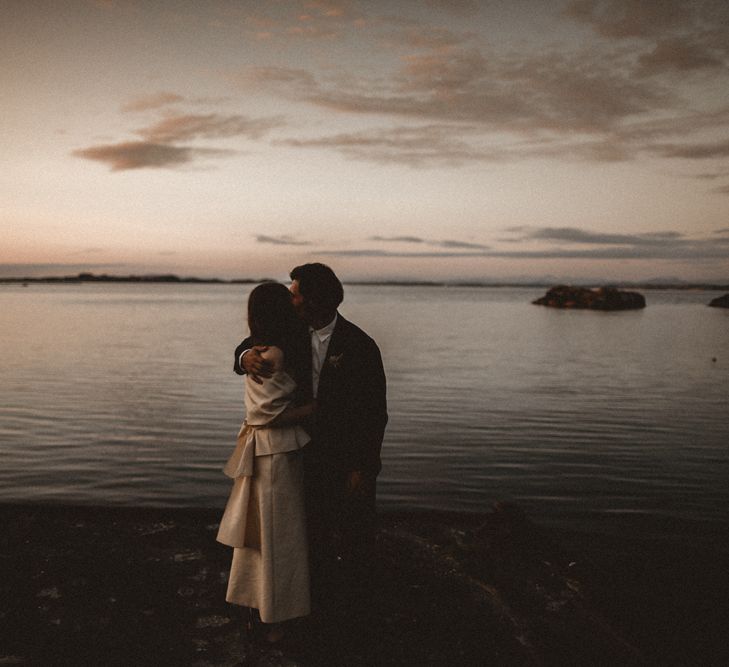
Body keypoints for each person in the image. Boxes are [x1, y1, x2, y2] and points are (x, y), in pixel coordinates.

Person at [234, 263, 388, 614]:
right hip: (299, 450)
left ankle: (357, 609)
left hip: (344, 452)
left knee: (354, 532)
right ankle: (312, 603)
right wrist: (244, 358)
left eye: (295, 292)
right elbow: (249, 344)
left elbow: (374, 413)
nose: (290, 299)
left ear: (314, 300)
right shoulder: (290, 332)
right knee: (308, 532)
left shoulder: (360, 344)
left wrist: (363, 466)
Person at [217, 282, 315, 641]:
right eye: (290, 297)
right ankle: (274, 611)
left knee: (267, 532)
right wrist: (315, 409)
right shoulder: (267, 352)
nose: (295, 300)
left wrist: (246, 356)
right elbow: (265, 414)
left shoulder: (274, 347)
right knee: (274, 532)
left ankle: (261, 605)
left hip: (271, 451)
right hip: (273, 452)